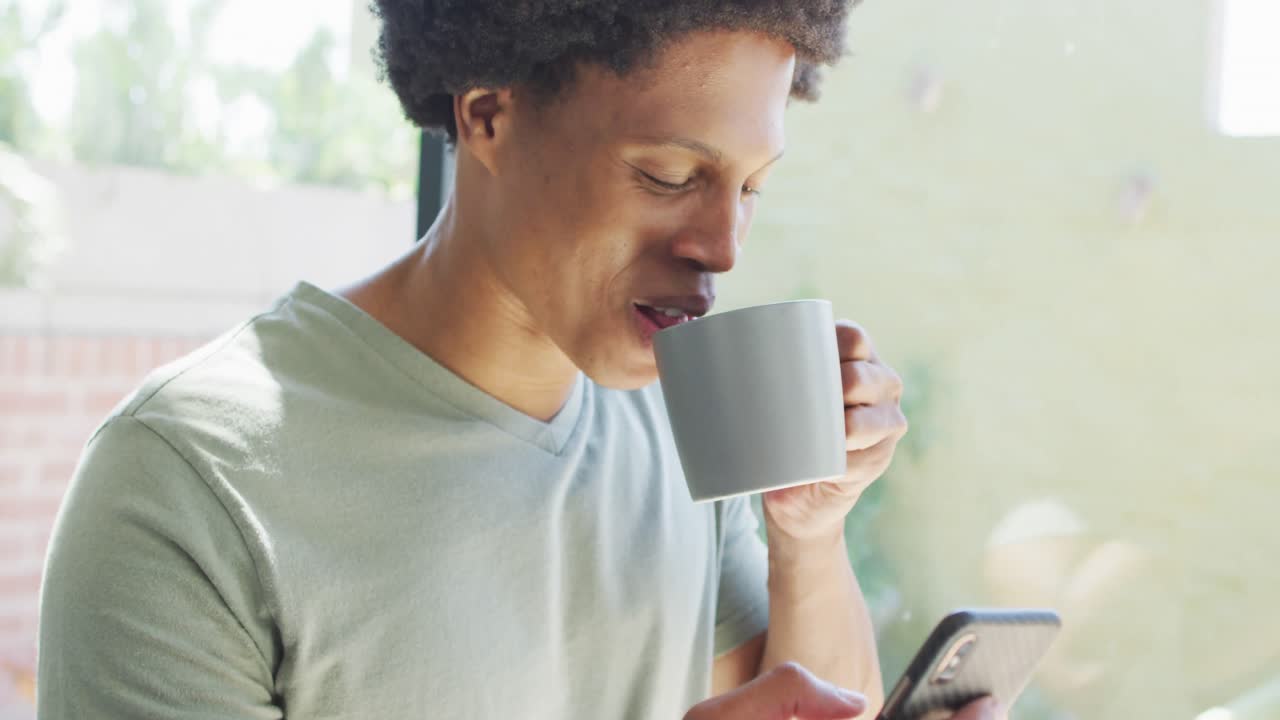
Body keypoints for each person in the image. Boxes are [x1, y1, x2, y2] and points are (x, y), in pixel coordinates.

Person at [37, 2, 997, 718]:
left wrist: (808, 532)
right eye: (669, 175)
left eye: (751, 188)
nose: (723, 244)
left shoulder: (683, 421)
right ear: (489, 116)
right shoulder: (187, 482)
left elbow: (805, 699)